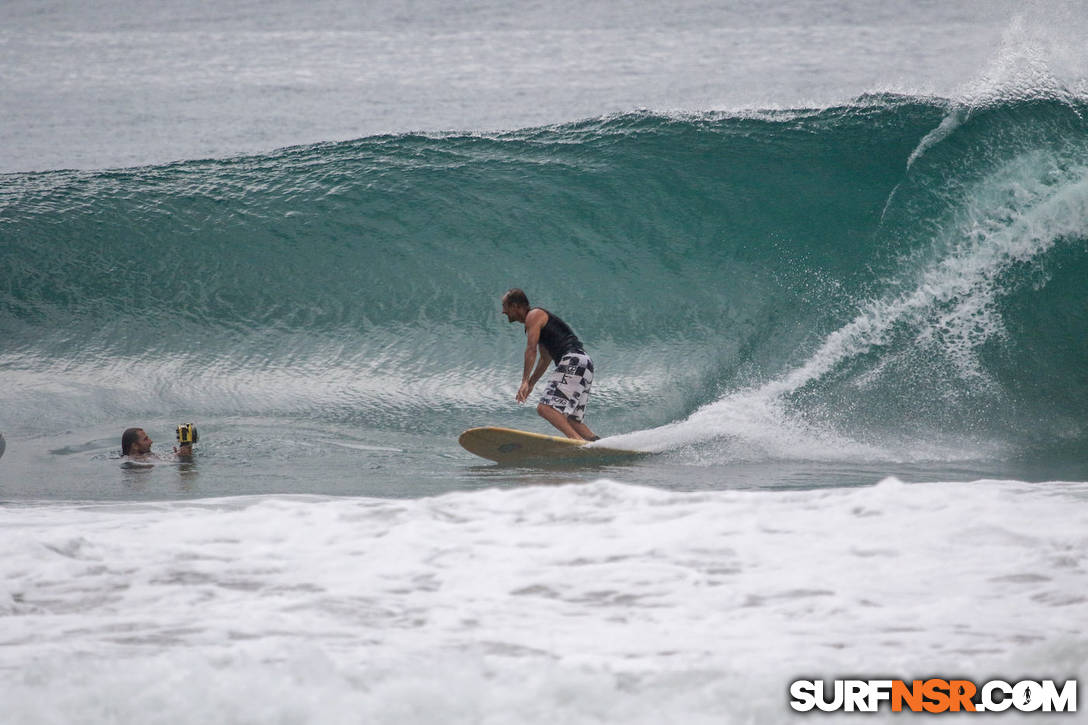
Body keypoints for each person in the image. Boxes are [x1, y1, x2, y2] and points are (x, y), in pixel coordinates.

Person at [501, 288, 599, 441]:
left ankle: (577, 443)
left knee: (546, 408)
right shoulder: (538, 321)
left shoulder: (533, 316)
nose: (503, 312)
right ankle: (597, 445)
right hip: (584, 363)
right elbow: (544, 358)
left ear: (515, 306)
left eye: (505, 307)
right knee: (572, 420)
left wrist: (524, 381)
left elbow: (531, 350)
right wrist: (531, 383)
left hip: (573, 360)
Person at [120, 427, 194, 459]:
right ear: (135, 446)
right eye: (145, 439)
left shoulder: (144, 456)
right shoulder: (136, 460)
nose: (151, 441)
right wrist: (178, 456)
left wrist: (176, 455)